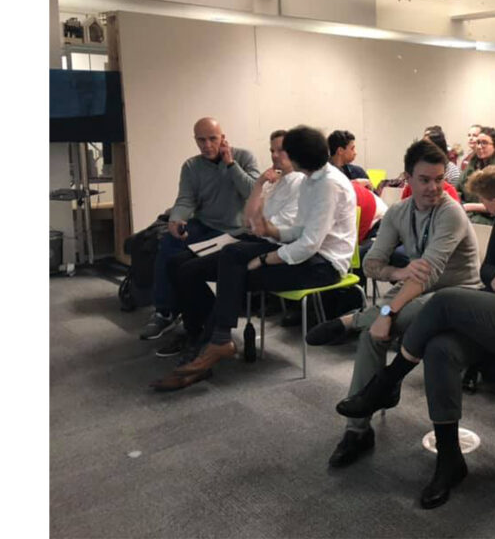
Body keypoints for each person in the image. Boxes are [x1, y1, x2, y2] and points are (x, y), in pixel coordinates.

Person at [335, 136, 495, 509]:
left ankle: (388, 380)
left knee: (445, 300)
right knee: (440, 349)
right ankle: (450, 459)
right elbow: (489, 267)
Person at [309, 140, 481, 467]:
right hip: (414, 290)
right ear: (408, 178)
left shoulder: (451, 213)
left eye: (439, 179)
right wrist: (398, 272)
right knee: (372, 335)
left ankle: (352, 320)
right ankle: (357, 430)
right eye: (424, 180)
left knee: (397, 315)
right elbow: (371, 264)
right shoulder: (400, 212)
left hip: (459, 296)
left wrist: (387, 312)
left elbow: (428, 274)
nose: (433, 188)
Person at [152, 125, 357, 389]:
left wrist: (264, 260)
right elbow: (299, 231)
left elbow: (308, 245)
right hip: (302, 252)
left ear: (297, 159)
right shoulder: (311, 180)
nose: (277, 156)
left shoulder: (328, 185)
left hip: (324, 265)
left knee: (234, 271)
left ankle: (211, 346)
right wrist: (272, 231)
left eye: (283, 152)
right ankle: (213, 341)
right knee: (226, 262)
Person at [152, 129, 302, 360]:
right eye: (272, 150)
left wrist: (234, 168)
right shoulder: (276, 180)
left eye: (281, 150)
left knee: (191, 269)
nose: (274, 156)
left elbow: (279, 228)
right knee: (175, 262)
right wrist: (261, 186)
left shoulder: (299, 182)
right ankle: (199, 326)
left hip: (266, 241)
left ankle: (204, 335)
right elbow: (251, 215)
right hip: (248, 235)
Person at [141, 117, 260, 341]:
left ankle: (203, 318)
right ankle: (165, 312)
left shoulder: (244, 157)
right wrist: (176, 220)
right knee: (168, 243)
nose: (207, 145)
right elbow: (186, 199)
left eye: (212, 139)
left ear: (223, 138)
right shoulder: (191, 166)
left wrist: (231, 164)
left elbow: (254, 191)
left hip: (235, 230)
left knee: (191, 265)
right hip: (204, 224)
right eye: (201, 140)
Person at [458, 126, 495, 225]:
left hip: (491, 220)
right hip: (468, 215)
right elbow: (458, 189)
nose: (479, 146)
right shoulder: (471, 165)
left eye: (484, 143)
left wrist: (468, 207)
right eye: (478, 142)